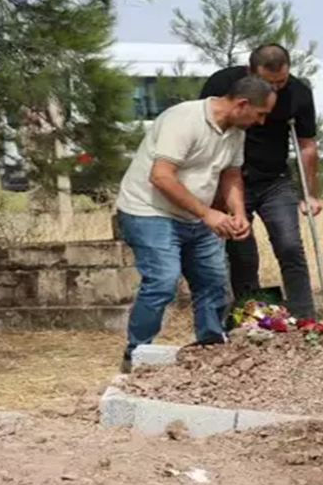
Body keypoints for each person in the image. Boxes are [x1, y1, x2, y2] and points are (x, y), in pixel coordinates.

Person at [115, 74, 275, 372]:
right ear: (242, 104)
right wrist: (207, 214)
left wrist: (237, 212)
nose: (262, 122)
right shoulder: (184, 119)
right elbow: (160, 176)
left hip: (194, 214)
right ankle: (136, 356)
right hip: (148, 210)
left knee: (213, 281)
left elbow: (231, 175)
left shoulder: (235, 131)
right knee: (163, 281)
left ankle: (210, 349)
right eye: (260, 114)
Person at [199, 44, 321, 321]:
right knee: (242, 252)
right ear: (249, 72)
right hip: (232, 180)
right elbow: (205, 128)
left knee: (290, 245)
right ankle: (252, 319)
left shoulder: (298, 92)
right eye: (268, 83)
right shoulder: (222, 83)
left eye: (282, 82)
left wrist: (310, 194)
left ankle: (305, 318)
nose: (275, 90)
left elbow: (307, 145)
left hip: (274, 180)